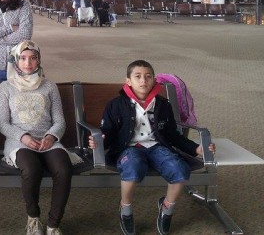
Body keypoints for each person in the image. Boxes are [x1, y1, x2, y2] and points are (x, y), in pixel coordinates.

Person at [88, 60, 216, 235]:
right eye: (138, 76)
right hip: (128, 148)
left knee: (179, 169)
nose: (143, 81)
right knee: (132, 167)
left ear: (154, 80)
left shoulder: (162, 105)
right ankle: (125, 208)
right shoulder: (116, 104)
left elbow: (172, 135)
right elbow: (107, 132)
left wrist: (196, 149)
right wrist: (99, 141)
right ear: (128, 81)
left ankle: (167, 207)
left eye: (148, 76)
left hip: (157, 146)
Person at [0, 41, 72, 235]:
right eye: (23, 58)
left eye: (33, 58)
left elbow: (59, 121)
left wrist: (51, 136)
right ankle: (33, 217)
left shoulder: (49, 86)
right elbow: (3, 124)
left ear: (39, 60)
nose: (28, 63)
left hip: (48, 140)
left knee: (63, 169)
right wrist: (23, 137)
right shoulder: (6, 87)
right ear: (16, 61)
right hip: (18, 141)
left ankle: (53, 224)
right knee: (31, 169)